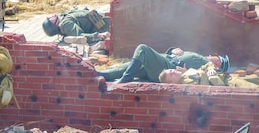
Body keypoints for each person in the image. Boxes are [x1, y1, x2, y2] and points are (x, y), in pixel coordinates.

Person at [97, 44, 229, 83]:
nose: (213, 57)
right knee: (131, 65)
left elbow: (206, 74)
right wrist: (173, 50)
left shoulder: (207, 64)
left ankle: (126, 78)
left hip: (167, 69)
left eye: (217, 59)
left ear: (218, 64)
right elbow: (175, 55)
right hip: (164, 62)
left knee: (142, 49)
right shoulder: (199, 58)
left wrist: (186, 72)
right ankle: (104, 75)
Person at [42, 8, 110, 45]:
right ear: (54, 26)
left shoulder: (66, 17)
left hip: (108, 21)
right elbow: (80, 36)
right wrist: (97, 36)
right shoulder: (65, 24)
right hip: (109, 26)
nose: (53, 16)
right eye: (51, 19)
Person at [159, 67, 259, 88]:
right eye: (171, 74)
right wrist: (203, 74)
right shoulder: (185, 86)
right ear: (172, 83)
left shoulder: (188, 72)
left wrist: (210, 69)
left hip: (229, 77)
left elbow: (207, 65)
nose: (174, 71)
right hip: (230, 85)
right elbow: (204, 90)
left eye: (172, 70)